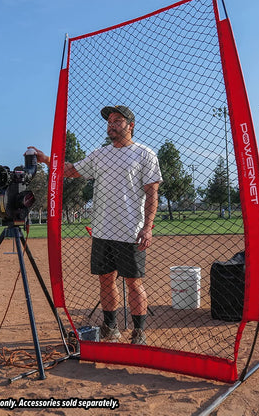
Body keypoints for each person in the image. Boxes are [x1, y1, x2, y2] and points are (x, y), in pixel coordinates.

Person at [29, 105, 162, 345]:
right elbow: (71, 170)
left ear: (131, 126)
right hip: (102, 231)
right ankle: (110, 328)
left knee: (134, 282)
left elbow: (152, 194)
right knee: (105, 280)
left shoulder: (145, 154)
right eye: (109, 120)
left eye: (118, 120)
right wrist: (47, 160)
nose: (111, 124)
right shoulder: (100, 154)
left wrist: (148, 226)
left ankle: (138, 332)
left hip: (130, 232)